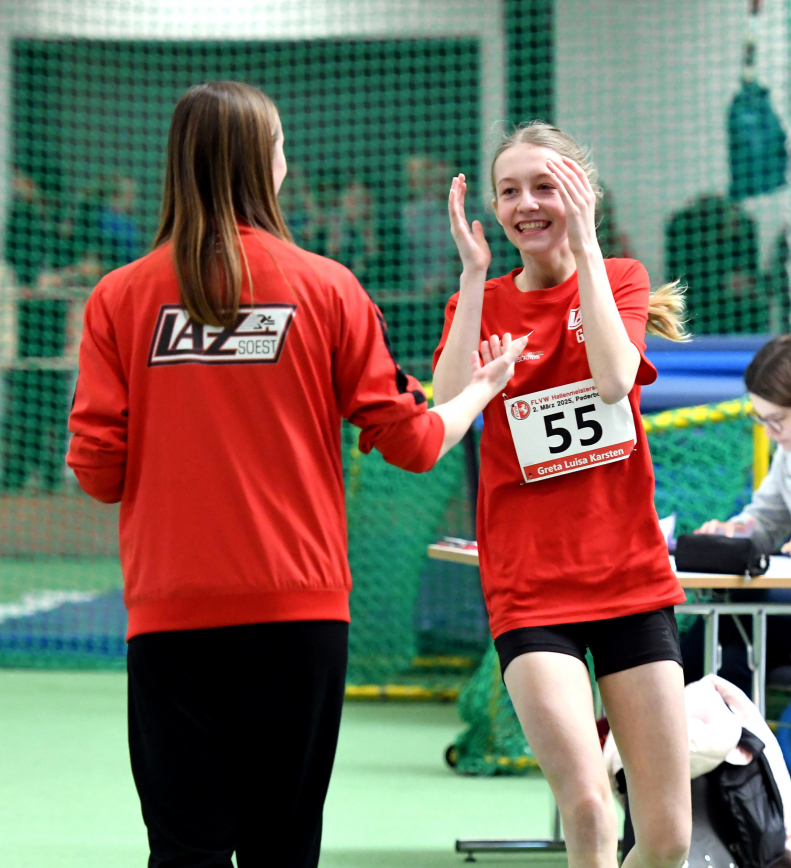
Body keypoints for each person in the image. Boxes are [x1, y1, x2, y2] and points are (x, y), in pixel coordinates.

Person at [65, 81, 526, 868]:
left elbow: (99, 472)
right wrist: (481, 390)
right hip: (298, 615)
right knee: (282, 850)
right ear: (264, 166)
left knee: (184, 850)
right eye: (279, 148)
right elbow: (413, 444)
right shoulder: (327, 288)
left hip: (171, 617)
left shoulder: (119, 299)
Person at [432, 121, 691, 868]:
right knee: (584, 807)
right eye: (508, 190)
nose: (525, 203)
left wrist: (583, 254)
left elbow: (613, 380)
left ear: (583, 194)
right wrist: (474, 280)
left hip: (629, 579)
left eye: (544, 186)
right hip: (530, 587)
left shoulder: (620, 279)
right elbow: (447, 415)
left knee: (667, 839)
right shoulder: (476, 302)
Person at [690, 334, 791, 693]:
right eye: (762, 420)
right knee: (727, 654)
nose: (770, 432)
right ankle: (729, 748)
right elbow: (766, 521)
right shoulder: (787, 453)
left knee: (718, 639)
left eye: (777, 420)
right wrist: (734, 532)